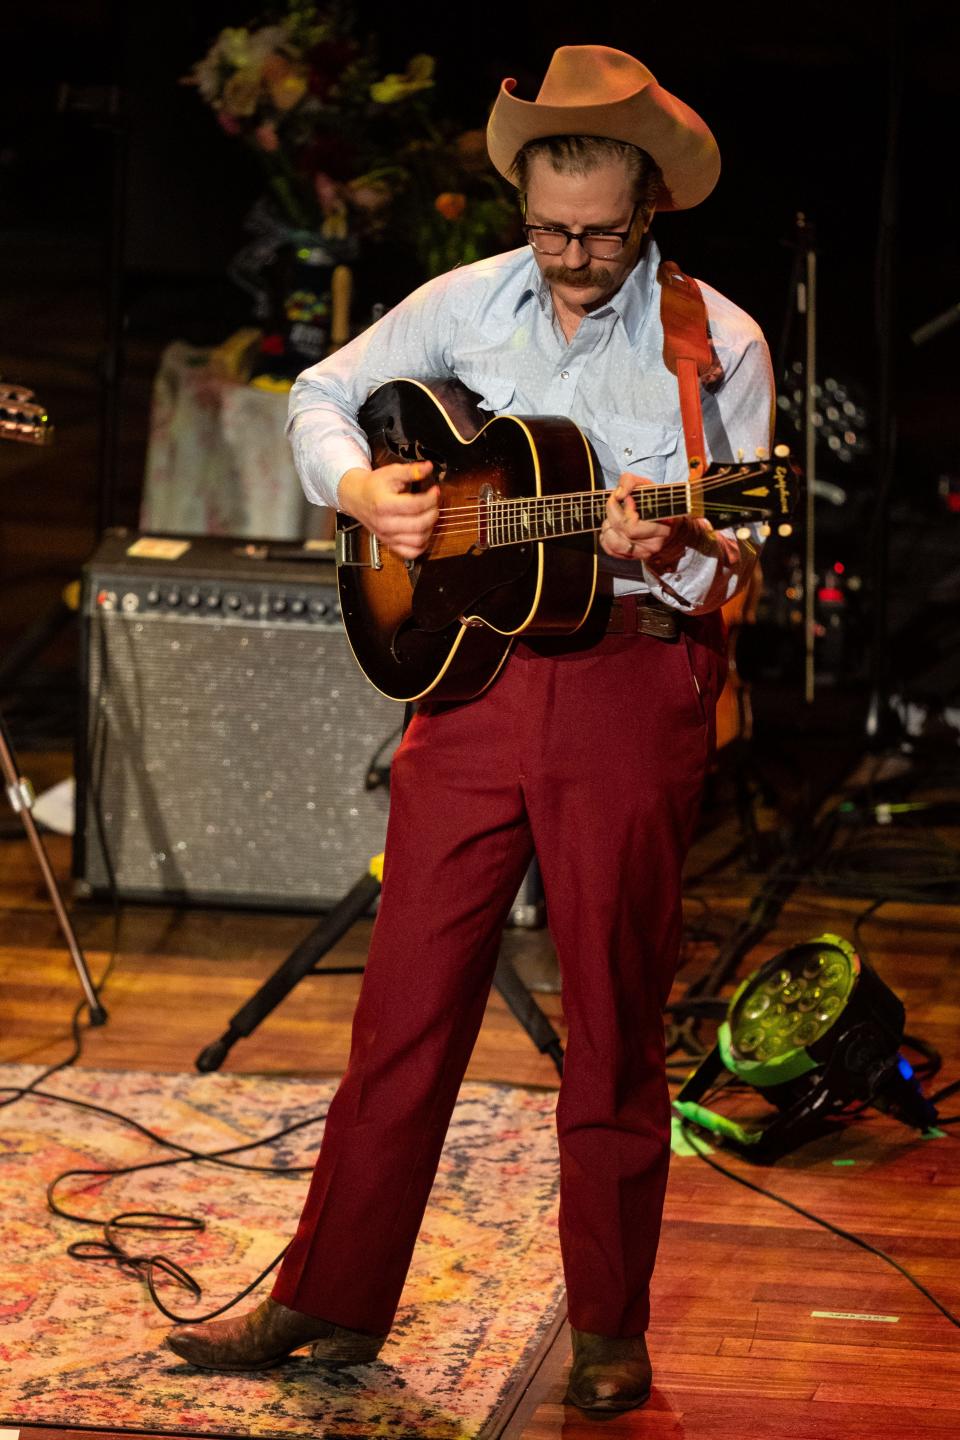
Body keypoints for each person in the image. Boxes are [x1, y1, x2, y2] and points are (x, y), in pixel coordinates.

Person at [166, 43, 774, 1415]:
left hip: (629, 676)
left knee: (613, 1013)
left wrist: (670, 540)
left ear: (649, 210)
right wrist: (367, 497)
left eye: (600, 232)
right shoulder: (465, 302)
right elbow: (321, 395)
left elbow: (732, 563)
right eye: (550, 227)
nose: (571, 253)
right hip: (477, 679)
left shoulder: (718, 345)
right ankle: (328, 1292)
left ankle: (610, 1327)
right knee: (405, 1004)